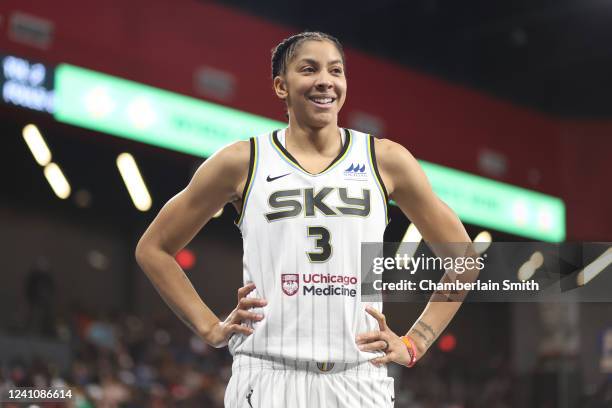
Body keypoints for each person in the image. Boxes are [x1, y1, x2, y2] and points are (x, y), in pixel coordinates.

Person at [135, 31, 476, 407]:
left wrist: (416, 342)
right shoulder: (242, 161)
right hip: (266, 375)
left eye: (336, 70)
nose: (325, 81)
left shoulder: (386, 160)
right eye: (309, 69)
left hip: (359, 379)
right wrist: (209, 327)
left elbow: (465, 261)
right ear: (281, 86)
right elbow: (154, 249)